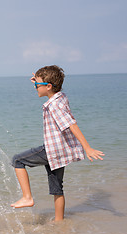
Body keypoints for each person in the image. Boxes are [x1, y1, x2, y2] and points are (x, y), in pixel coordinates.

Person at [10, 65, 104, 221]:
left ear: (48, 86)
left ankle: (27, 197)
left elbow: (71, 124)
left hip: (52, 150)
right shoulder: (60, 97)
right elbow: (50, 88)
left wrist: (87, 148)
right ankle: (59, 222)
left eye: (36, 86)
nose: (35, 88)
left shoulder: (55, 106)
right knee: (57, 189)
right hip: (61, 152)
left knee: (17, 160)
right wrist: (38, 80)